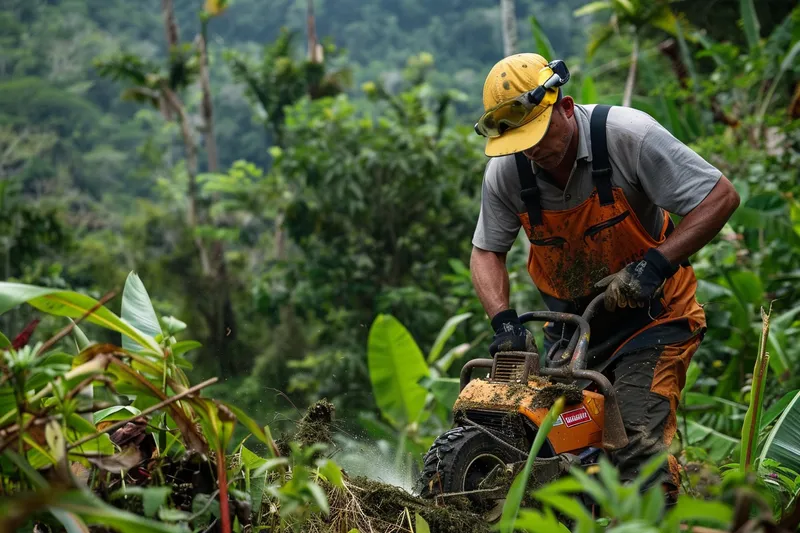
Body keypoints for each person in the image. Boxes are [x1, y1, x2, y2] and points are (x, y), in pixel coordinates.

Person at [470, 53, 740, 493]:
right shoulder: (506, 173)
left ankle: (662, 515)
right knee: (551, 446)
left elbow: (720, 197)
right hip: (575, 332)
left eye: (537, 133)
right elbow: (485, 252)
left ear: (565, 105)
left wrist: (654, 265)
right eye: (519, 140)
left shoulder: (628, 137)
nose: (532, 148)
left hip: (654, 318)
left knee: (634, 445)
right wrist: (503, 321)